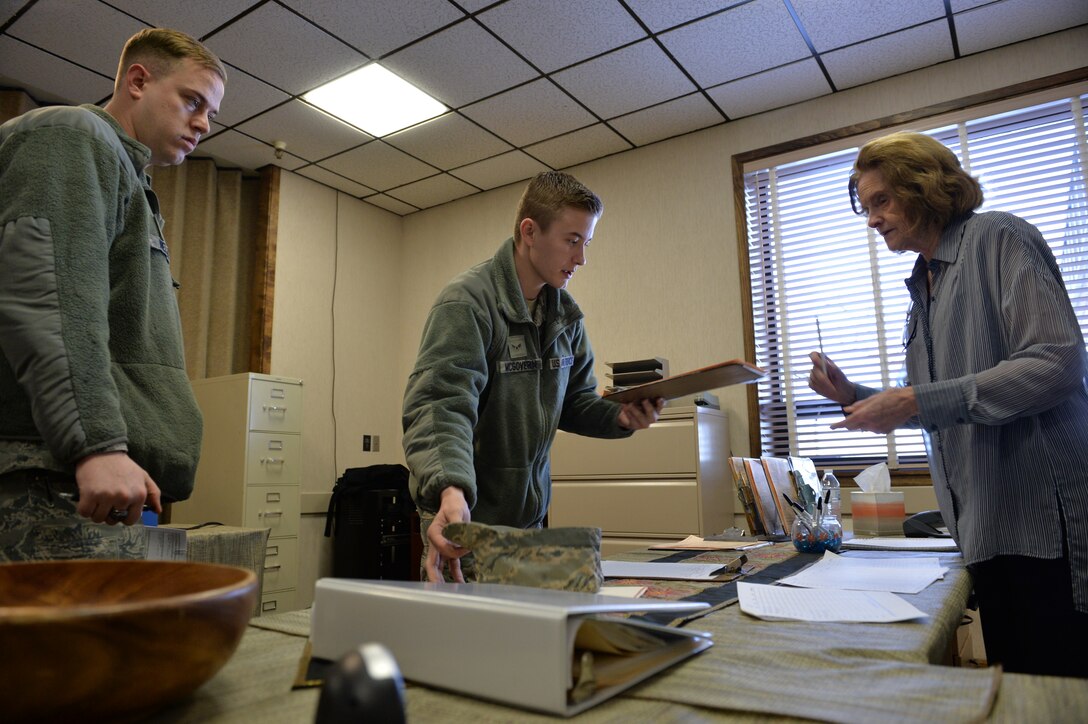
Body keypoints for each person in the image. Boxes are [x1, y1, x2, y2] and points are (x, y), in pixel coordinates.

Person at [808, 131, 1088, 677]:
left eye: (881, 201)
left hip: (1040, 525)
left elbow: (1057, 360)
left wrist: (915, 397)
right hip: (983, 528)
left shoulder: (998, 238)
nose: (871, 220)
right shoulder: (923, 287)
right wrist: (854, 396)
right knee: (1018, 690)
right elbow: (937, 406)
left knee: (1059, 690)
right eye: (865, 207)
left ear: (925, 187)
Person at [0, 28, 226, 560]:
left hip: (83, 476)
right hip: (46, 473)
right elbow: (49, 296)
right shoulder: (74, 134)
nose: (202, 123)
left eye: (211, 114)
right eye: (192, 101)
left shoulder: (126, 173)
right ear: (138, 81)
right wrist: (96, 444)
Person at [403, 171, 664, 583]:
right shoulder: (467, 303)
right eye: (572, 240)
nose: (581, 259)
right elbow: (441, 404)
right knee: (468, 643)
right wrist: (451, 488)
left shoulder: (565, 315)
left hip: (530, 522)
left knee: (526, 640)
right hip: (468, 518)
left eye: (587, 243)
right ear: (529, 231)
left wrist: (620, 418)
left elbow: (576, 400)